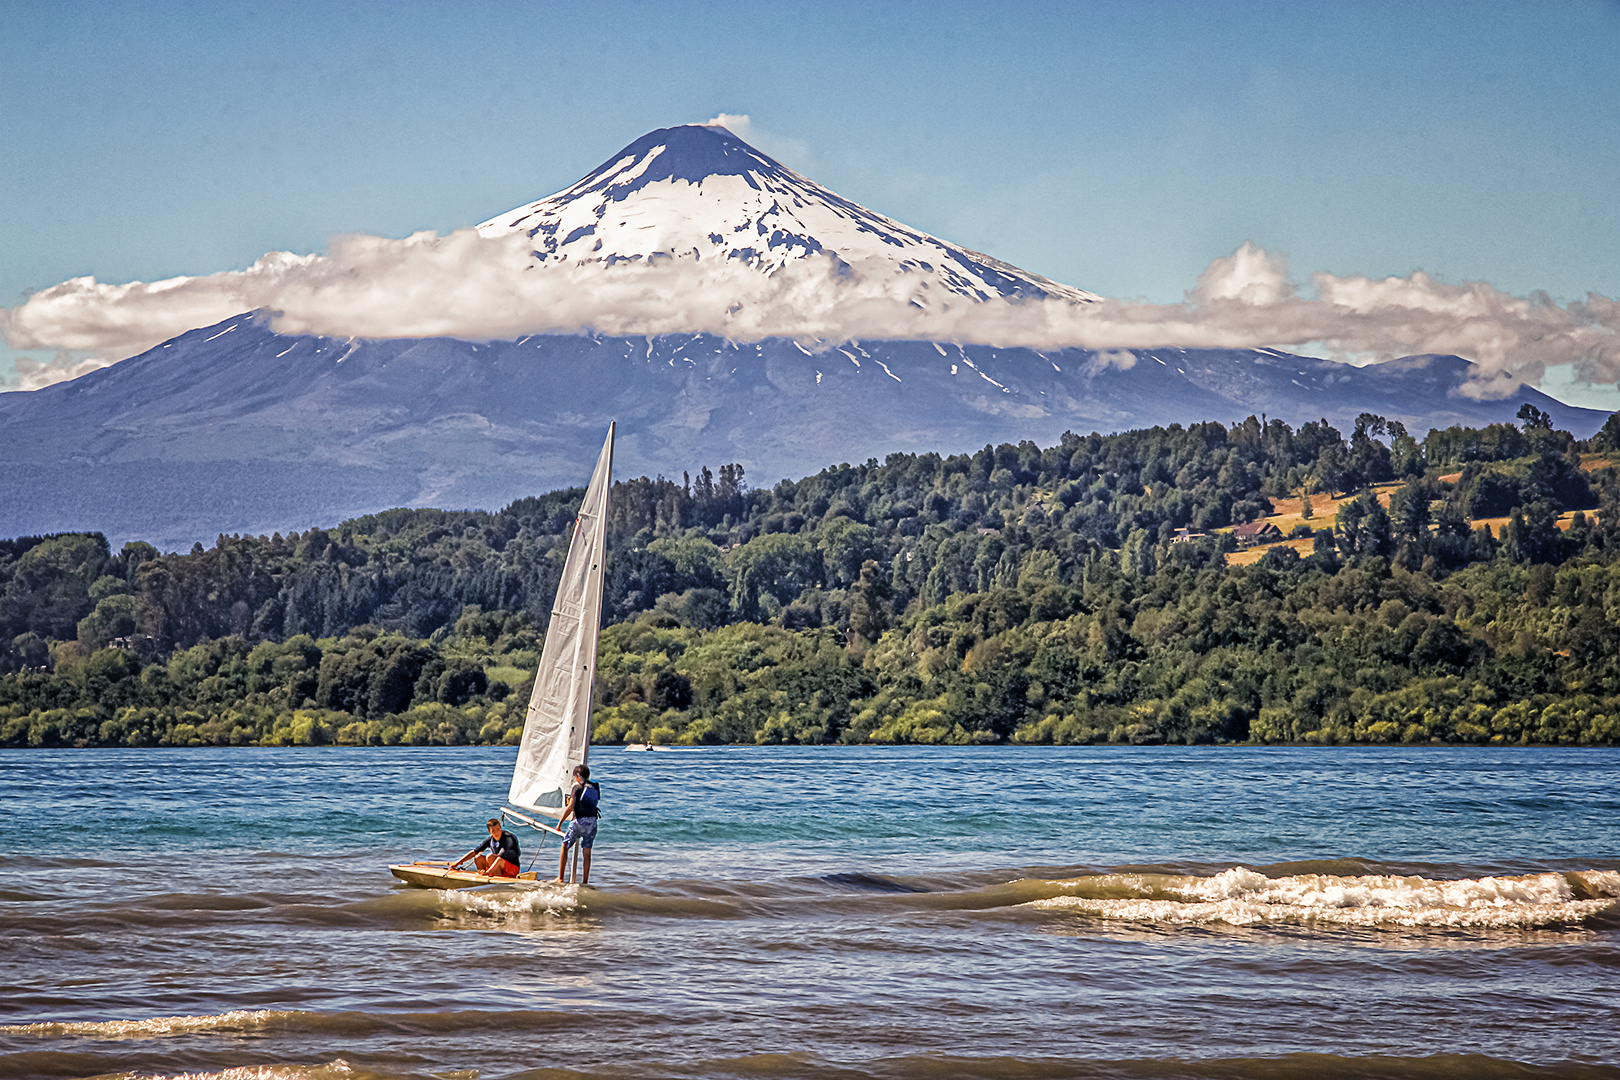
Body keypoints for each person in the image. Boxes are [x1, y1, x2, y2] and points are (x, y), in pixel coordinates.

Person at [554, 763, 600, 885]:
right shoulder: (595, 786)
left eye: (575, 776)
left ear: (578, 776)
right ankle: (585, 881)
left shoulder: (576, 788)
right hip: (592, 822)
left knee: (565, 845)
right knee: (586, 852)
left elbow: (571, 807)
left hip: (579, 822)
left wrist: (559, 824)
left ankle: (560, 877)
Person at [453, 818, 521, 878]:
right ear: (489, 831)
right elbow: (474, 852)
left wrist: (488, 871)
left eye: (498, 829)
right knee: (478, 857)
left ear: (500, 827)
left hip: (512, 869)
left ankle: (492, 876)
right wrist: (457, 863)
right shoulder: (491, 839)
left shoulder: (509, 838)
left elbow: (502, 856)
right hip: (498, 867)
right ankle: (482, 875)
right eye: (493, 830)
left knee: (490, 857)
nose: (497, 832)